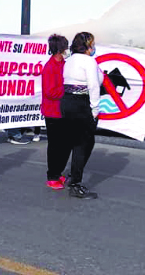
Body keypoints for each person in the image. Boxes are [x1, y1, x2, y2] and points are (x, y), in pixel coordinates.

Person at [61, 31, 102, 199]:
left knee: (81, 142)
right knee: (82, 144)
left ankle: (73, 174)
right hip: (81, 103)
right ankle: (75, 183)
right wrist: (95, 109)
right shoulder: (89, 61)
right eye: (92, 44)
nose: (94, 47)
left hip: (67, 101)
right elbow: (93, 85)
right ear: (87, 45)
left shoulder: (69, 60)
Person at [41, 34, 70, 190]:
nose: (67, 50)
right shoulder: (49, 67)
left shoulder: (66, 65)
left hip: (65, 111)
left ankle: (58, 172)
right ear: (60, 49)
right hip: (53, 112)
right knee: (55, 146)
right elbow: (50, 92)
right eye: (65, 47)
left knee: (65, 144)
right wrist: (68, 89)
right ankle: (52, 176)